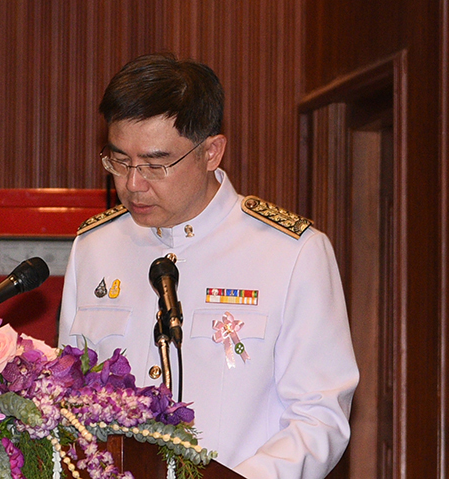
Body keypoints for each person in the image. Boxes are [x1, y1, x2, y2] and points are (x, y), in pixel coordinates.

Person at [58, 53, 359, 478]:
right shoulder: (95, 246)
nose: (133, 184)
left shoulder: (291, 253)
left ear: (211, 152)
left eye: (155, 164)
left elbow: (319, 417)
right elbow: (69, 398)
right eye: (120, 161)